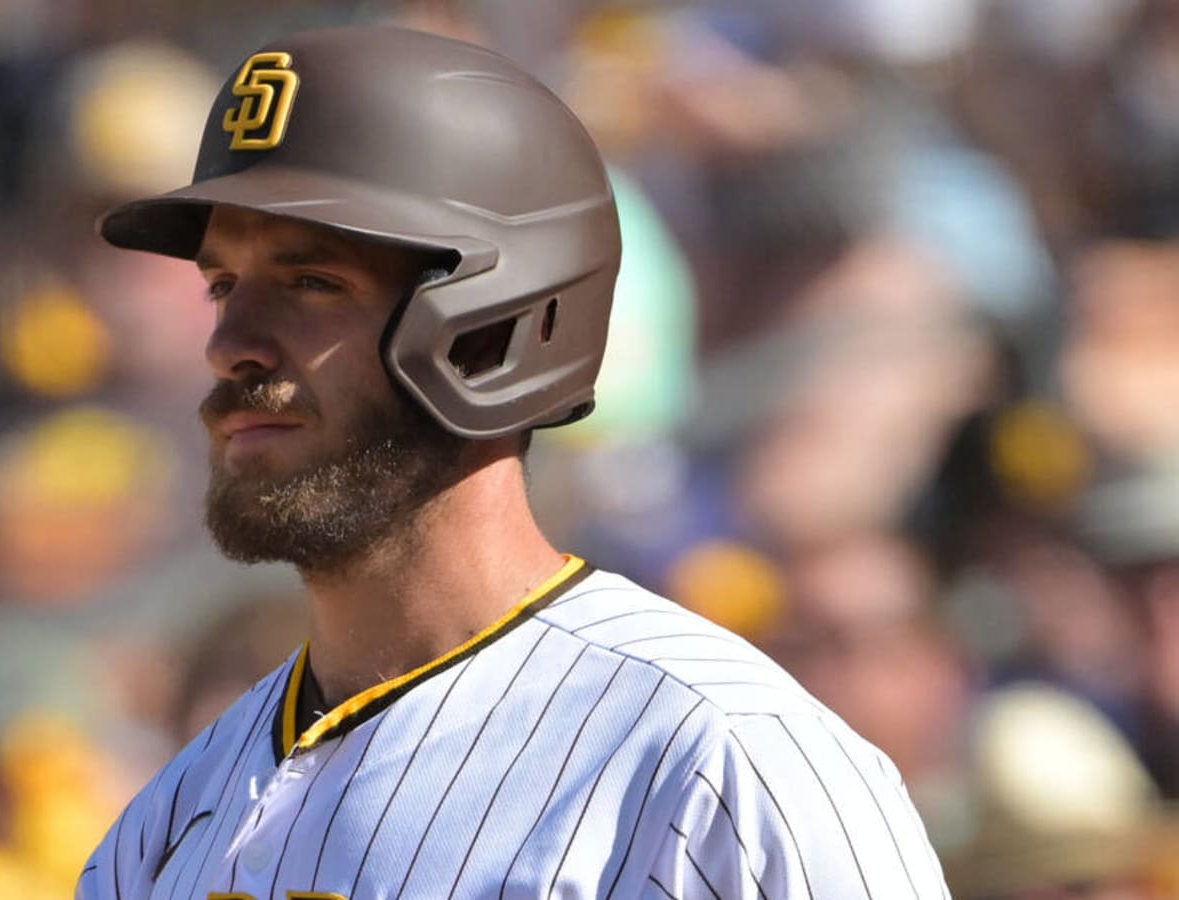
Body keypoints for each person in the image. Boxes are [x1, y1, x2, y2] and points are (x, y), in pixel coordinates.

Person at [79, 25, 947, 899]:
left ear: (497, 324)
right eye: (222, 284)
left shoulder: (719, 760)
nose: (232, 345)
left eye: (312, 282)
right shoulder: (171, 812)